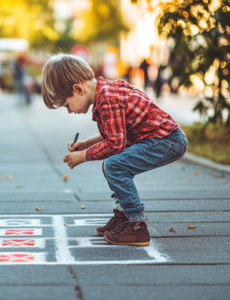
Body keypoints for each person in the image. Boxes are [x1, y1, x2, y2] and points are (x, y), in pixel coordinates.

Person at [41, 54, 188, 246]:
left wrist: (83, 156)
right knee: (113, 165)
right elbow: (116, 133)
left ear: (78, 88)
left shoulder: (108, 99)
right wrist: (86, 144)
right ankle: (124, 217)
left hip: (167, 140)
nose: (69, 111)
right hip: (160, 138)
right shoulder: (106, 92)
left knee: (114, 165)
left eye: (67, 104)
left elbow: (114, 144)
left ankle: (136, 225)